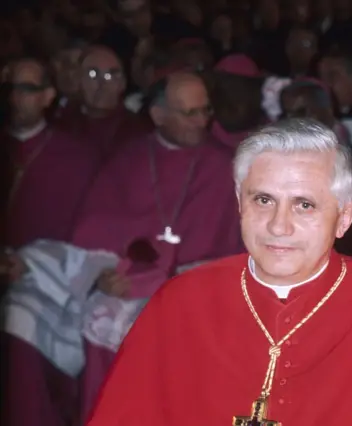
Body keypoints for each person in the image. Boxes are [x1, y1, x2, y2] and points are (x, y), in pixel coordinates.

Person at [86, 118, 352, 426]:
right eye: (263, 199)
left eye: (304, 205)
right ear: (239, 204)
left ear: (344, 218)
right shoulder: (178, 304)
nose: (279, 226)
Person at [72, 70, 244, 421]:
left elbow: (235, 249)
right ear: (158, 115)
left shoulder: (225, 166)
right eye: (189, 113)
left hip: (200, 292)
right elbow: (95, 231)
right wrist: (103, 275)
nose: (201, 122)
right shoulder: (128, 160)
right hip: (129, 284)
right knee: (103, 322)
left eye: (205, 111)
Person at [0, 58, 101, 426]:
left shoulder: (76, 157)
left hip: (45, 279)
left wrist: (26, 263)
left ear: (47, 96)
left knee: (20, 324)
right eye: (10, 88)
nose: (14, 98)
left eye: (26, 89)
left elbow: (84, 240)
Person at [57, 45, 148, 162]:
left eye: (111, 75)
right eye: (93, 75)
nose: (102, 83)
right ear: (78, 80)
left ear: (123, 84)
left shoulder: (137, 132)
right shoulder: (63, 123)